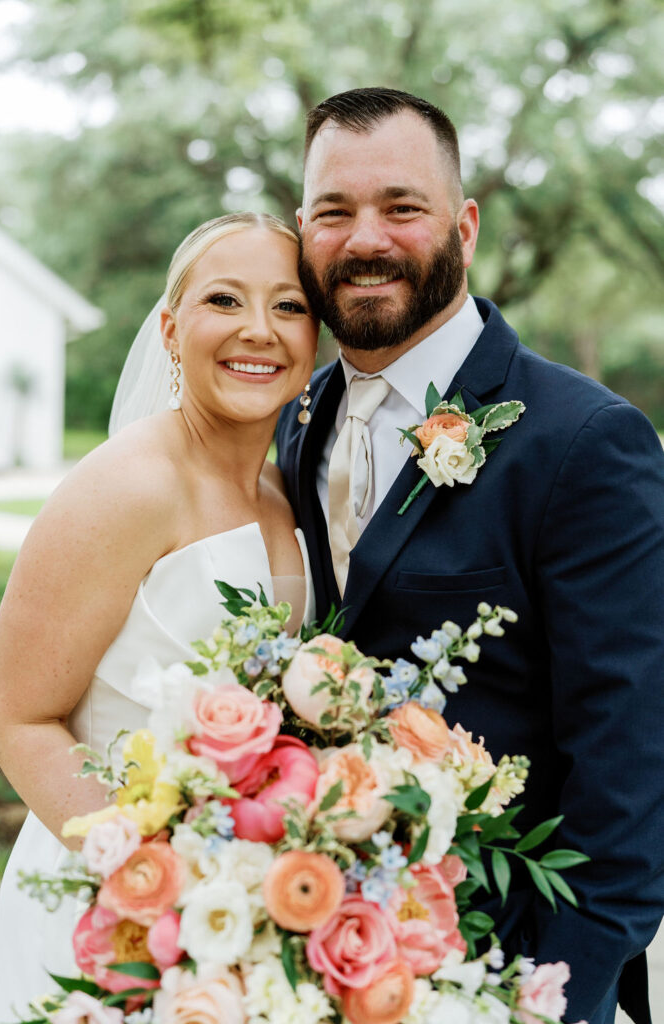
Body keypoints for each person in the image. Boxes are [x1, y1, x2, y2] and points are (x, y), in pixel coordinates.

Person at [276, 87, 664, 1024]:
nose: (365, 238)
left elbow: (631, 774)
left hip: (509, 973)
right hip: (311, 954)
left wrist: (545, 1002)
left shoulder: (585, 442)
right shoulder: (289, 422)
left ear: (466, 225)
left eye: (401, 207)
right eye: (334, 211)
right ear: (302, 230)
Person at [0, 211, 318, 1022]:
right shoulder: (128, 486)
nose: (258, 330)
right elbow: (19, 716)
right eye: (224, 301)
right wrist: (150, 881)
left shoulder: (286, 493)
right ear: (170, 329)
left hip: (240, 915)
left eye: (288, 306)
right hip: (107, 917)